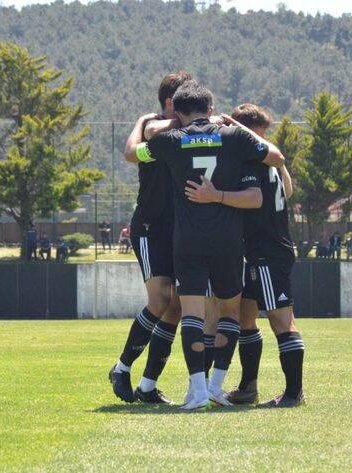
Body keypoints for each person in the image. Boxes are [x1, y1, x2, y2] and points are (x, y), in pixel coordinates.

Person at [126, 81, 285, 409]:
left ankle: (196, 391)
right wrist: (236, 126)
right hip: (228, 242)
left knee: (193, 316)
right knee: (229, 313)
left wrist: (141, 125)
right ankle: (215, 386)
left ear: (179, 113)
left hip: (187, 241)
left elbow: (134, 153)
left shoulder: (170, 141)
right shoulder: (234, 138)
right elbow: (275, 156)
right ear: (211, 109)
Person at [189, 104, 305, 408]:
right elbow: (288, 191)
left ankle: (294, 393)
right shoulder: (270, 159)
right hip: (258, 250)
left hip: (268, 250)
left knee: (282, 320)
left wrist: (217, 196)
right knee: (245, 318)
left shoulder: (252, 159)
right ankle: (248, 387)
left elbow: (254, 199)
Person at [109, 72, 192, 405]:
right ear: (171, 103)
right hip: (150, 228)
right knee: (160, 300)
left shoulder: (189, 128)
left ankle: (147, 385)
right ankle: (121, 367)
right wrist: (144, 120)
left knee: (176, 306)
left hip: (180, 230)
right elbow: (134, 150)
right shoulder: (155, 129)